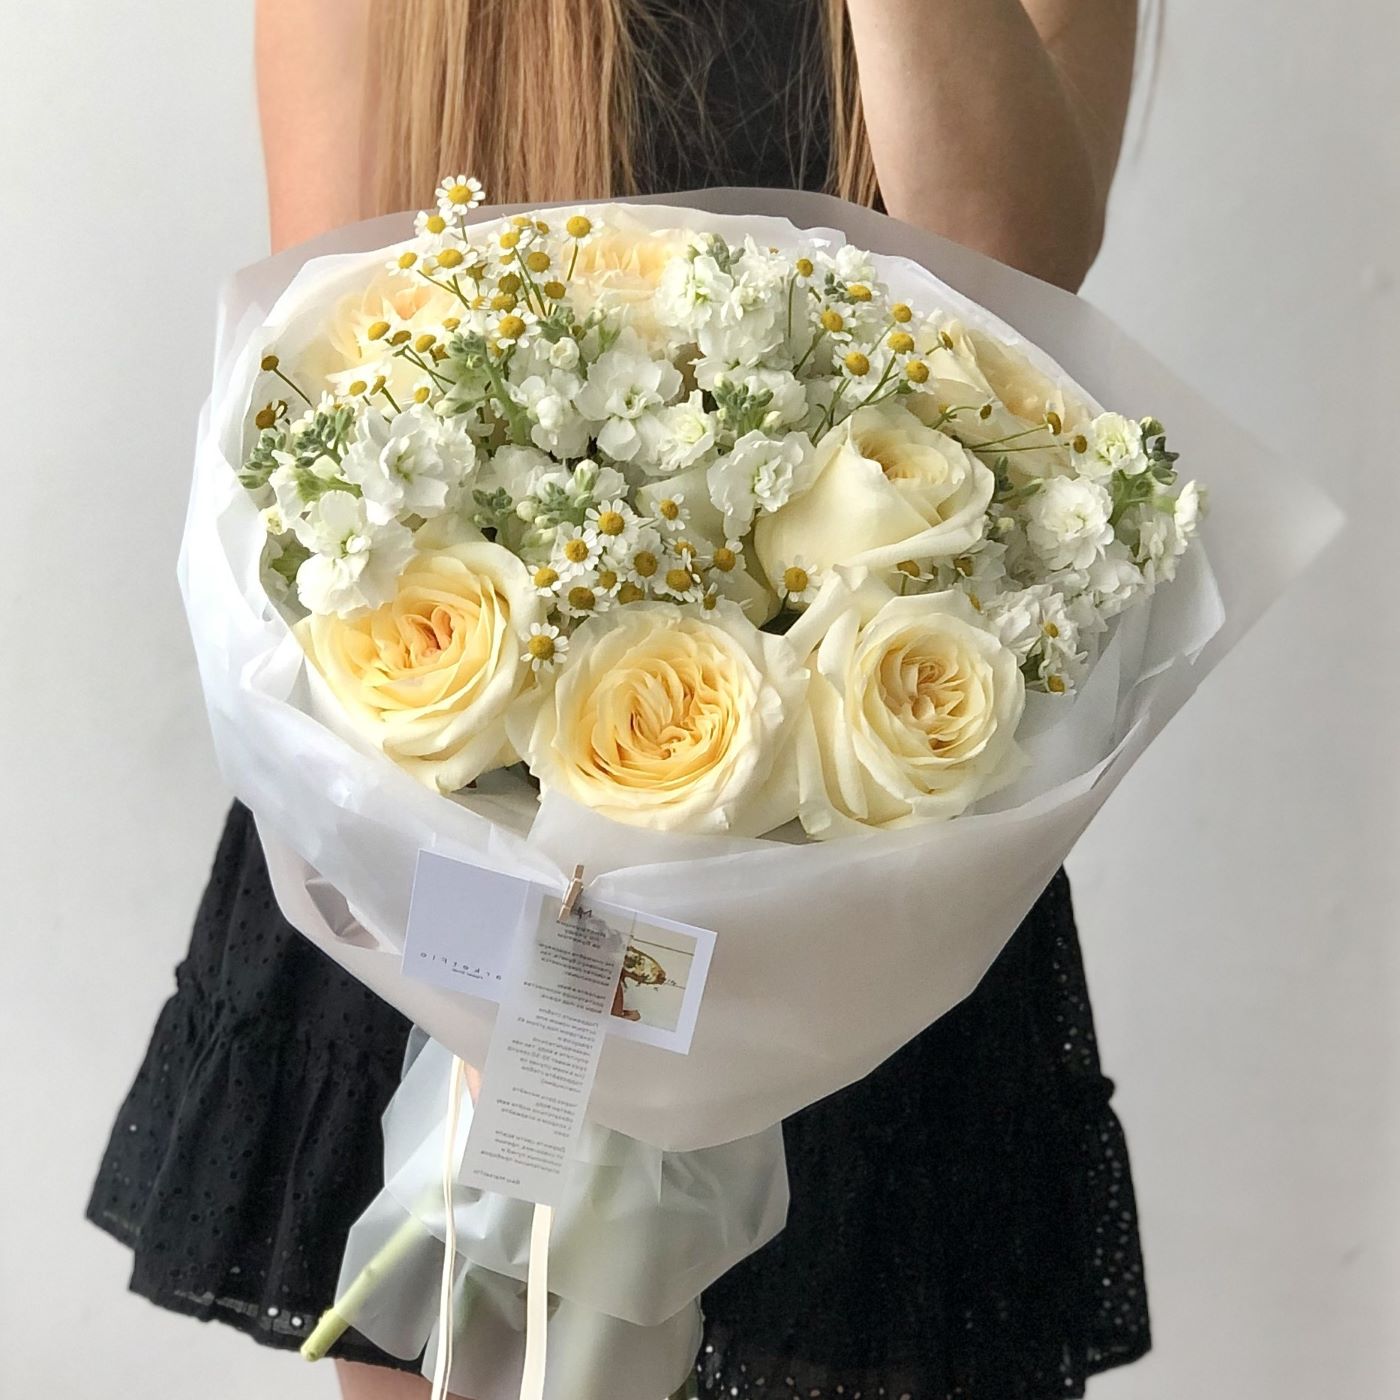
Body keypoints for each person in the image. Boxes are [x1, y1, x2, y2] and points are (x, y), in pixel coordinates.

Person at [87, 2, 1149, 1397]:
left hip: (873, 843)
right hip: (453, 822)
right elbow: (330, 407)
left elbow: (1007, 283)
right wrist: (493, 981)